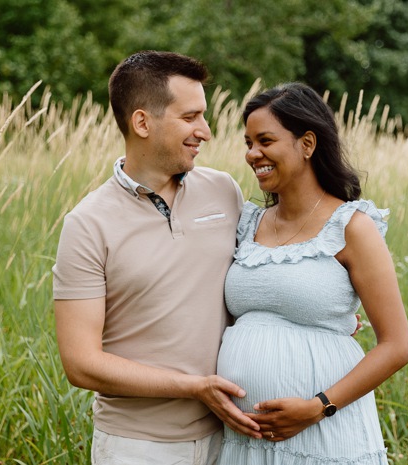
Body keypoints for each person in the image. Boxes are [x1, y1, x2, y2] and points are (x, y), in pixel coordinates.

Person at [51, 50, 263, 465]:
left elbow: (254, 284)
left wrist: (314, 316)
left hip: (235, 438)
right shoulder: (87, 224)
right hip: (138, 447)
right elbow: (81, 364)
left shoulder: (224, 191)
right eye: (190, 117)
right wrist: (193, 387)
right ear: (142, 122)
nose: (205, 131)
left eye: (204, 116)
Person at [216, 82, 408, 464]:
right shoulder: (245, 224)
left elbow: (397, 346)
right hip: (246, 441)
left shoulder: (352, 227)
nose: (252, 154)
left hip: (324, 434)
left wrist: (318, 406)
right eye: (248, 142)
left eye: (265, 140)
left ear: (307, 144)